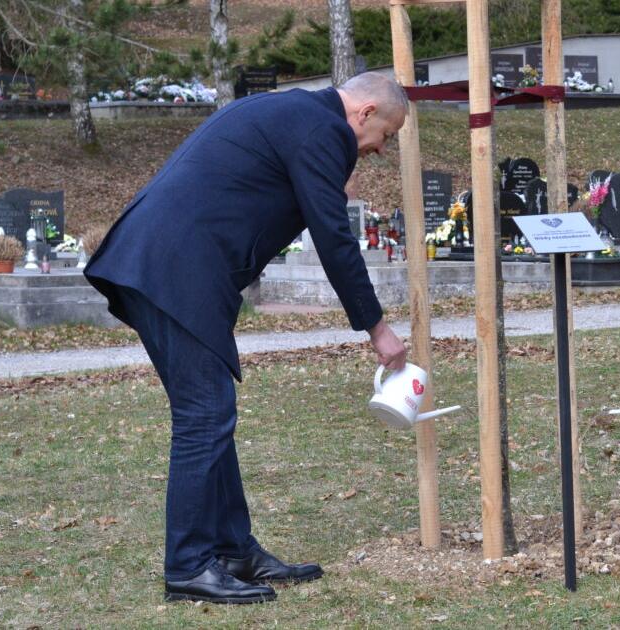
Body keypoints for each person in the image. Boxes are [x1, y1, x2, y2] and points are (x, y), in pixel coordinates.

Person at [85, 71, 410, 604]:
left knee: (210, 410)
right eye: (386, 137)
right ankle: (189, 565)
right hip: (176, 268)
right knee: (205, 415)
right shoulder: (321, 129)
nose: (378, 151)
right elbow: (333, 235)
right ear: (365, 113)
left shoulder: (294, 114)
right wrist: (377, 328)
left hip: (163, 262)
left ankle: (233, 549)